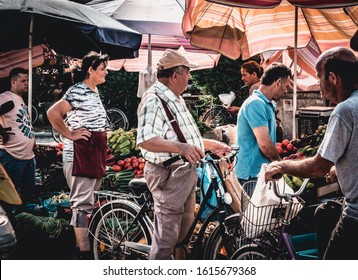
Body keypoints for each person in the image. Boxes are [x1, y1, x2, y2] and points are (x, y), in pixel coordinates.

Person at [264, 47, 358, 260]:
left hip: (355, 216)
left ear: (332, 78)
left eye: (319, 76)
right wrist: (340, 169)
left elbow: (317, 167)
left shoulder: (345, 110)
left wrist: (281, 166)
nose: (319, 84)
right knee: (325, 212)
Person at [136, 49, 230, 260]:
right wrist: (182, 149)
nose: (189, 77)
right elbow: (145, 139)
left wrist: (209, 145)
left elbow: (183, 139)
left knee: (183, 232)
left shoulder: (175, 99)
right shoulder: (154, 99)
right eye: (187, 73)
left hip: (184, 171)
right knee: (166, 238)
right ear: (175, 75)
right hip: (168, 173)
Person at [47, 51, 110, 260]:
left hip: (93, 152)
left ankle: (79, 248)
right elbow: (53, 113)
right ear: (90, 70)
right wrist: (70, 134)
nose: (106, 72)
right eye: (102, 69)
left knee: (87, 203)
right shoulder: (77, 90)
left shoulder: (93, 91)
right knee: (81, 206)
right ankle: (84, 255)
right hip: (79, 155)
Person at [234, 63, 292, 186]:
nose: (286, 90)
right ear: (277, 83)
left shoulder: (267, 103)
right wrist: (281, 165)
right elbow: (265, 144)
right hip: (251, 175)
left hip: (261, 172)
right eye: (286, 86)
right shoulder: (256, 104)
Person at [0, 67, 36, 203]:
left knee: (28, 197)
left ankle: (25, 222)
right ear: (13, 82)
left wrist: (33, 141)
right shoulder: (5, 98)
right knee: (11, 199)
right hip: (12, 155)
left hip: (28, 156)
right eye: (23, 81)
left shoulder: (19, 99)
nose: (27, 83)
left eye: (27, 80)